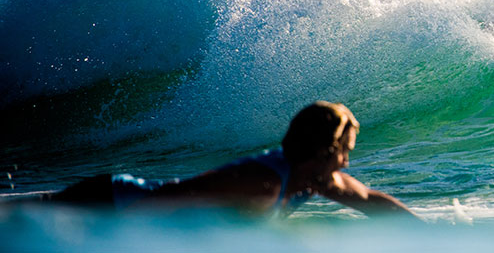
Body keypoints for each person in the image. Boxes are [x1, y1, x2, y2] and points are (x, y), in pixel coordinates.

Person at [44, 101, 417, 217]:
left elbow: (371, 201)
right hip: (108, 201)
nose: (346, 164)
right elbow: (169, 200)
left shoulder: (315, 180)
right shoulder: (260, 182)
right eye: (345, 152)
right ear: (324, 150)